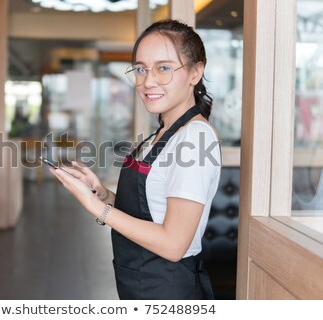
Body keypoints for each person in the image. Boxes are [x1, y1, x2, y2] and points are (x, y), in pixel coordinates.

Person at [49, 19, 221, 300]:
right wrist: (103, 194)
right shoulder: (159, 134)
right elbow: (150, 213)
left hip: (167, 290)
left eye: (164, 68)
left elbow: (173, 244)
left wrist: (97, 208)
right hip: (138, 283)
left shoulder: (195, 138)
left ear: (195, 72)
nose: (147, 81)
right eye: (141, 69)